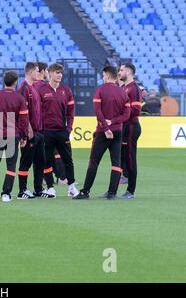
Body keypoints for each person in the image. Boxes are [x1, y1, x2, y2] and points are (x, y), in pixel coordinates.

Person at [74, 66, 130, 200]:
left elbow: (98, 112)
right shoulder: (123, 93)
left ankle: (85, 191)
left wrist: (106, 128)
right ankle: (112, 193)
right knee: (116, 163)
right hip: (117, 131)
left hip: (102, 132)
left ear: (106, 75)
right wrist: (113, 122)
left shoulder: (100, 89)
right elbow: (126, 115)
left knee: (94, 162)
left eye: (103, 75)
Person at [0, 71, 29, 202]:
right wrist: (24, 137)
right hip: (12, 136)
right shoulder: (19, 98)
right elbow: (23, 120)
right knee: (10, 165)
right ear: (16, 82)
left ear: (3, 81)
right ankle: (6, 194)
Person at [37, 63, 80, 198]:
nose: (59, 75)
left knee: (68, 160)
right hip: (46, 132)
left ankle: (72, 186)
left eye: (61, 73)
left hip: (62, 131)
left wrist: (68, 129)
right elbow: (37, 111)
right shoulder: (42, 90)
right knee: (46, 160)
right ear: (49, 73)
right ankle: (50, 187)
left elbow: (71, 112)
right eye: (57, 72)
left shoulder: (66, 91)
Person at [16, 62, 44, 199]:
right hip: (29, 133)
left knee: (40, 161)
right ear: (31, 72)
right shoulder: (23, 89)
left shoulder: (33, 88)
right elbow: (22, 113)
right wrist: (28, 131)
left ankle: (38, 189)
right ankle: (22, 190)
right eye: (37, 71)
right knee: (26, 161)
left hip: (38, 132)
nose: (38, 74)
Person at [118, 63, 142, 199]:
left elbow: (136, 110)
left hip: (131, 127)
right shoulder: (123, 88)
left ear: (129, 72)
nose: (119, 72)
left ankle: (131, 191)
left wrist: (120, 113)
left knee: (130, 158)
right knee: (121, 158)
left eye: (121, 70)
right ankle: (113, 189)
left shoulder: (134, 89)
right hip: (124, 126)